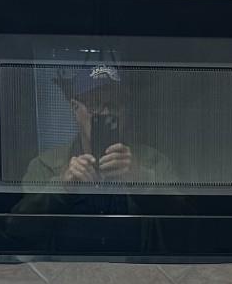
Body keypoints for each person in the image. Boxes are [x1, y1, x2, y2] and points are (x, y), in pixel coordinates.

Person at [20, 59, 177, 191]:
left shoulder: (153, 161)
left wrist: (142, 179)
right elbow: (20, 223)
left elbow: (182, 217)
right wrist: (61, 186)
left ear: (125, 111)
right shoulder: (44, 166)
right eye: (95, 104)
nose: (106, 112)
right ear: (75, 107)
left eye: (115, 104)